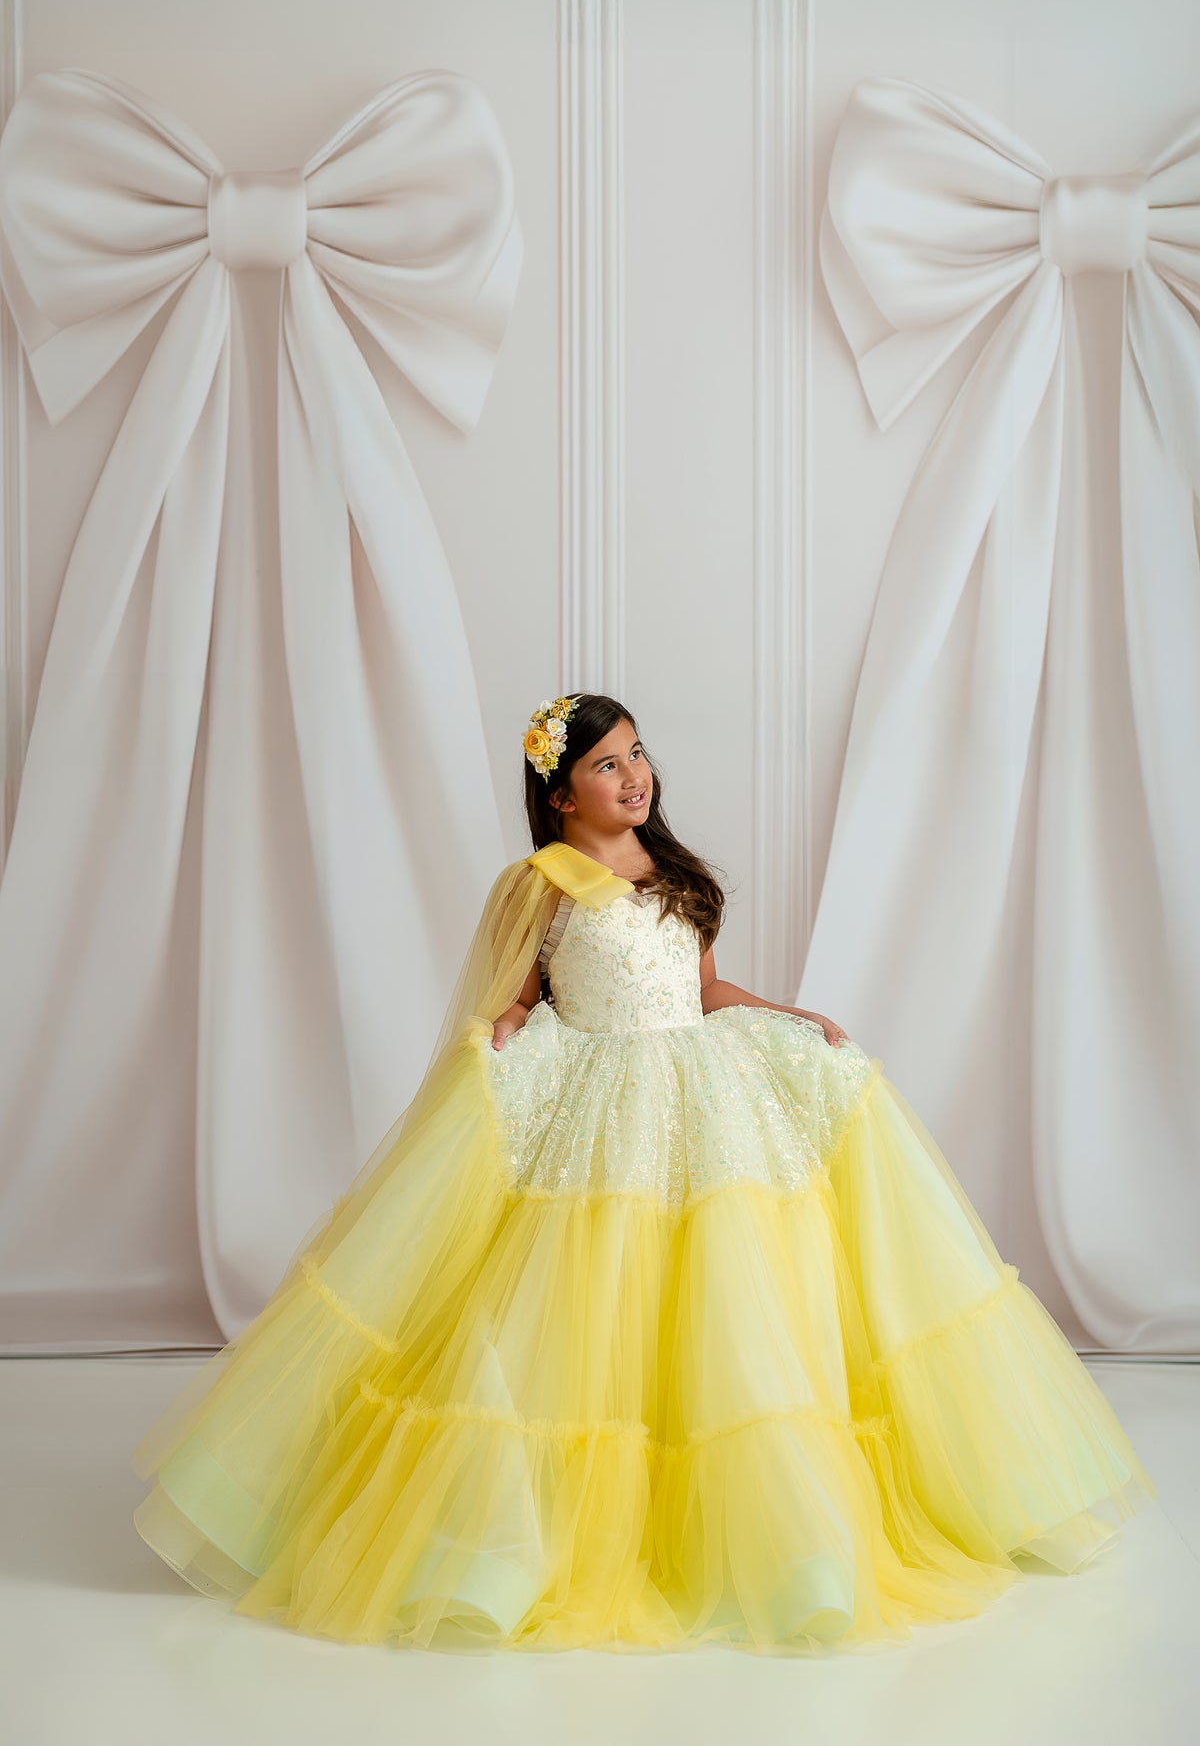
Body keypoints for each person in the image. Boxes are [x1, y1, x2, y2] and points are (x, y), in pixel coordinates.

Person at [130, 691, 1156, 1654]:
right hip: (598, 1095)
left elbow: (703, 988)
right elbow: (517, 993)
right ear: (557, 792)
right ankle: (497, 1546)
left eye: (636, 753)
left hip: (699, 1086)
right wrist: (502, 1032)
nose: (633, 777)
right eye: (605, 764)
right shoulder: (544, 886)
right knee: (579, 1298)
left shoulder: (673, 877)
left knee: (731, 1283)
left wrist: (788, 1015)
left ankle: (784, 1536)